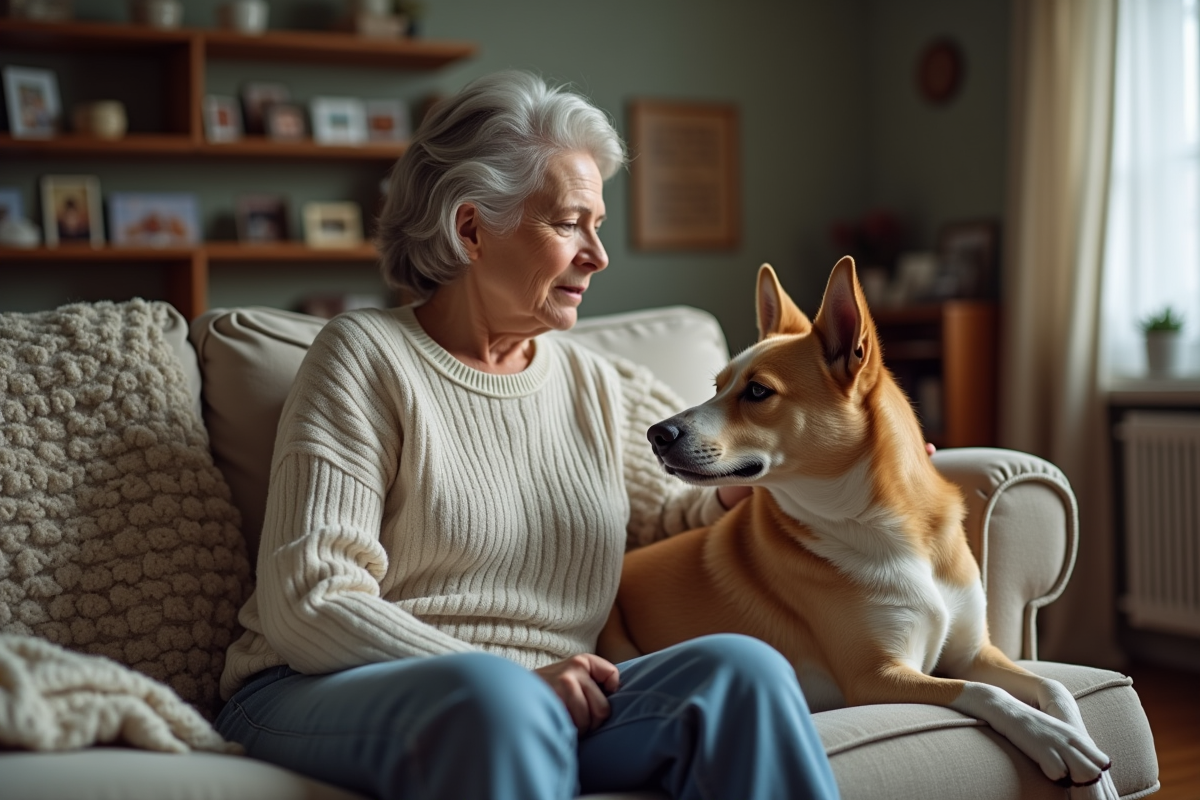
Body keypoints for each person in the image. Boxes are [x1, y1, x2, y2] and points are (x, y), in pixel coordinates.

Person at [214, 70, 840, 800]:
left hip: (551, 698)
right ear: (471, 228)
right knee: (498, 701)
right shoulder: (365, 356)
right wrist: (513, 676)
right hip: (329, 689)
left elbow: (661, 517)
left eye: (597, 226)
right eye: (570, 223)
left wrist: (769, 486)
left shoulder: (593, 383)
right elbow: (309, 599)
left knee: (743, 672)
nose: (598, 255)